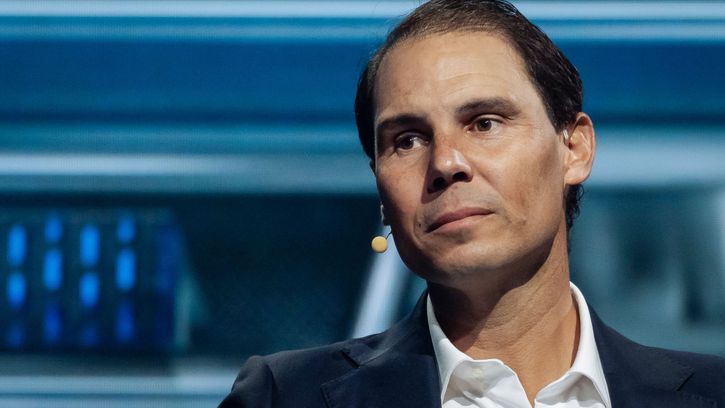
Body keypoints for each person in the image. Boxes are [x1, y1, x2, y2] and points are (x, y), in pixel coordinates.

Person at [219, 1, 725, 406]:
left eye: (484, 123)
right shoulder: (284, 397)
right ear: (380, 187)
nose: (445, 162)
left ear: (574, 149)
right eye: (407, 140)